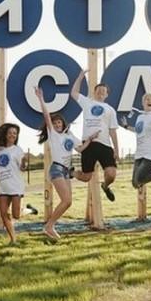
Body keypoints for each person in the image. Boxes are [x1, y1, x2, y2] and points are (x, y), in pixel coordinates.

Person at [35, 87, 99, 242]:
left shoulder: (69, 136)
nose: (57, 124)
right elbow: (46, 116)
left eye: (59, 122)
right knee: (67, 200)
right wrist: (41, 99)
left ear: (63, 124)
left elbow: (80, 148)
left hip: (66, 171)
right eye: (55, 123)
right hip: (56, 169)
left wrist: (90, 139)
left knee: (68, 202)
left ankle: (50, 226)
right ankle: (49, 226)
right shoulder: (53, 135)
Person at [70, 69, 120, 201]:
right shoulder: (87, 102)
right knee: (86, 177)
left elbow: (113, 131)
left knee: (111, 174)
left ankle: (105, 186)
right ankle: (71, 172)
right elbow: (74, 93)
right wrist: (80, 76)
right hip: (89, 144)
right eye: (98, 90)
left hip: (105, 145)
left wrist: (116, 149)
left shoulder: (110, 110)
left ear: (106, 95)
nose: (101, 92)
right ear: (94, 92)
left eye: (103, 91)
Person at [0, 123, 31, 244]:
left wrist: (24, 163)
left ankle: (29, 210)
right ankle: (13, 239)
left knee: (16, 215)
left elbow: (22, 168)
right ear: (6, 135)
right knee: (3, 214)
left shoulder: (17, 150)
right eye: (10, 133)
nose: (12, 135)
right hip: (3, 186)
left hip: (15, 185)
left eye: (15, 133)